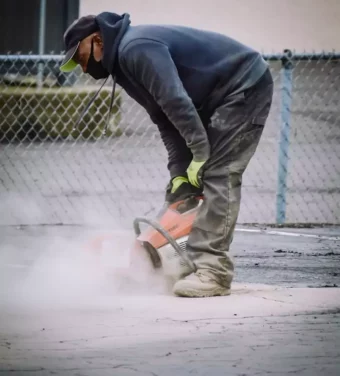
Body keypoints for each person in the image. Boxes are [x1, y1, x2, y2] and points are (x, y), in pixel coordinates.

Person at [60, 12, 273, 298]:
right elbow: (164, 119)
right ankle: (182, 263)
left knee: (219, 174)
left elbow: (175, 100)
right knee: (185, 190)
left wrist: (199, 155)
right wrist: (180, 174)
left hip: (242, 84)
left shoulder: (135, 48)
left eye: (80, 56)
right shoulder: (122, 64)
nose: (81, 67)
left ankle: (213, 272)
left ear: (97, 40)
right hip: (215, 95)